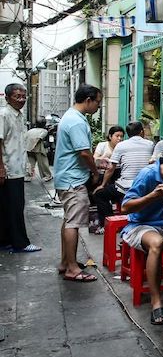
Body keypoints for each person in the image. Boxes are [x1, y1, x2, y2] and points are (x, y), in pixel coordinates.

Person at [121, 147, 163, 325]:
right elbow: (125, 207)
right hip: (141, 225)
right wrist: (152, 196)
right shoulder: (148, 175)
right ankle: (156, 302)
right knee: (157, 243)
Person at [53, 84, 103, 282]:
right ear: (88, 100)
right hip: (73, 180)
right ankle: (72, 269)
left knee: (68, 220)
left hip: (67, 176)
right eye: (98, 102)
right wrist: (95, 171)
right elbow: (83, 152)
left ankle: (66, 262)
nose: (99, 106)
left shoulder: (72, 117)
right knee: (73, 223)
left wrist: (96, 162)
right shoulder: (76, 121)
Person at [0, 83, 41, 253]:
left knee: (8, 207)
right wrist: (1, 168)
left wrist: (27, 165)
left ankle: (5, 241)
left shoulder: (19, 115)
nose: (22, 99)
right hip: (8, 169)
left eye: (24, 96)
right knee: (15, 207)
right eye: (17, 96)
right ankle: (20, 243)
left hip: (16, 168)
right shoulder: (4, 114)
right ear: (8, 97)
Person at [93, 121, 154, 230]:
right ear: (142, 132)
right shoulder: (150, 144)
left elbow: (111, 168)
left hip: (126, 187)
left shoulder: (121, 146)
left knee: (100, 195)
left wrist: (102, 185)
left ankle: (111, 224)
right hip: (146, 185)